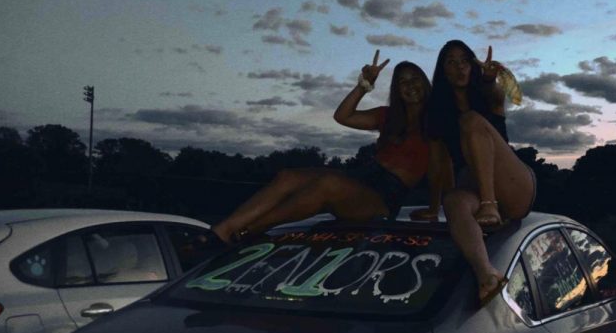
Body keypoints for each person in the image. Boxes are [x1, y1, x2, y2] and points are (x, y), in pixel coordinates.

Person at [209, 51, 431, 244]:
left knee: (328, 184)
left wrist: (434, 206)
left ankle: (250, 230)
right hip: (360, 177)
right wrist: (364, 85)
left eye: (415, 79)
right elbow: (343, 116)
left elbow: (443, 167)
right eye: (403, 82)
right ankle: (221, 231)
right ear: (397, 89)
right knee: (288, 177)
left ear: (425, 82)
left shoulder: (437, 121)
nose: (410, 86)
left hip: (384, 196)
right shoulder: (388, 116)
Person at [421, 39, 535, 306]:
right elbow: (440, 165)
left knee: (471, 121)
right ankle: (488, 277)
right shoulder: (437, 113)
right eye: (451, 62)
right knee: (454, 201)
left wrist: (487, 80)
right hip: (474, 189)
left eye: (464, 61)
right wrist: (434, 207)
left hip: (514, 186)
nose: (459, 68)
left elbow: (496, 93)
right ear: (442, 70)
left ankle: (489, 204)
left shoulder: (487, 96)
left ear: (472, 66)